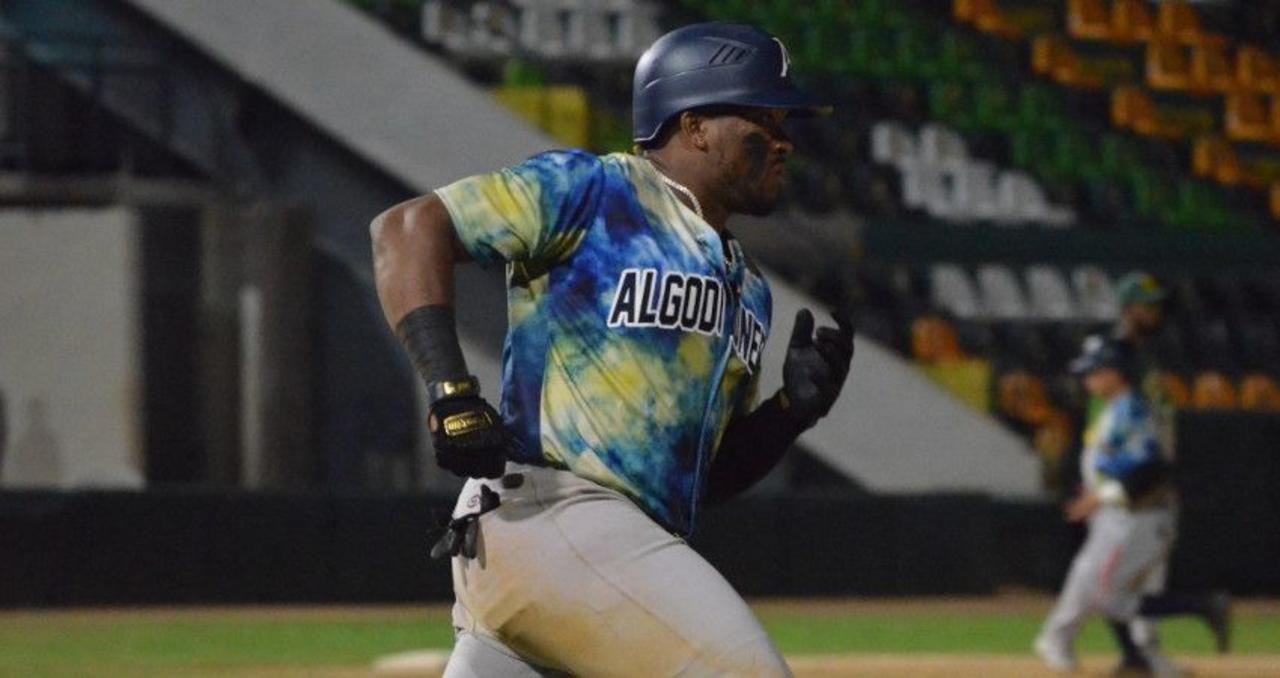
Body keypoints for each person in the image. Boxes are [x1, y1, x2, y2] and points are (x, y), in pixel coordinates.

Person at [370, 22, 854, 676]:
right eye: (764, 118)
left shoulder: (750, 289)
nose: (783, 139)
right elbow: (407, 228)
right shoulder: (598, 192)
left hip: (591, 556)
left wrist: (788, 413)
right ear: (694, 125)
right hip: (553, 512)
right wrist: (450, 391)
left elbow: (702, 480)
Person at [1035, 336, 1229, 677]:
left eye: (1095, 372)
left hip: (1137, 518)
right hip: (1131, 516)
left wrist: (1101, 496)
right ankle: (1149, 657)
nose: (1088, 379)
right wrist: (1096, 491)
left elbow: (1150, 468)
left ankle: (1202, 606)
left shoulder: (1131, 410)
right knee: (1105, 584)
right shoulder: (1116, 408)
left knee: (1109, 597)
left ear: (1114, 373)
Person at [1104, 272, 1232, 675]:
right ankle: (1140, 655)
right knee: (1118, 585)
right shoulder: (1130, 356)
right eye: (1147, 305)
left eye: (1155, 305)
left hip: (1146, 486)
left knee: (1118, 588)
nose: (1155, 312)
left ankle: (1193, 615)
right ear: (1128, 309)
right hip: (1137, 482)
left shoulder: (1139, 359)